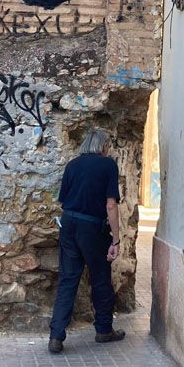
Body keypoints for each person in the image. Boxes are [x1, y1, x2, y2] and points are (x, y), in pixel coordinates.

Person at [48, 128, 125, 354]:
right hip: (92, 226)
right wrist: (116, 240)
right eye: (107, 145)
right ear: (102, 146)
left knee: (68, 279)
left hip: (69, 223)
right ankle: (103, 330)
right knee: (100, 277)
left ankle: (56, 336)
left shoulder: (72, 165)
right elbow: (111, 204)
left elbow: (64, 200)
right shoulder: (107, 165)